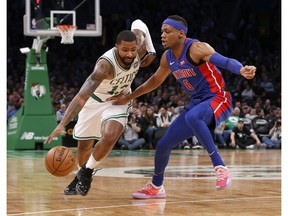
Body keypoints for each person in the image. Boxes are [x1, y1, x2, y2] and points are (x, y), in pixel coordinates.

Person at [108, 15, 256, 199]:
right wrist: (129, 97)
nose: (162, 35)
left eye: (167, 31)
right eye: (161, 31)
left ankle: (221, 167)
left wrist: (241, 69)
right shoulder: (167, 57)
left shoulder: (196, 48)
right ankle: (156, 186)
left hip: (217, 97)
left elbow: (224, 61)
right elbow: (154, 81)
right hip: (196, 103)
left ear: (181, 34)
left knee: (193, 117)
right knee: (163, 145)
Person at [44, 20, 156, 196]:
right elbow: (81, 97)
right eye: (124, 50)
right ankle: (80, 174)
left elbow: (140, 24)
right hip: (94, 101)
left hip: (118, 100)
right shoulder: (104, 67)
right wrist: (62, 124)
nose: (129, 54)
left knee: (110, 135)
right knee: (84, 146)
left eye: (133, 50)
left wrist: (151, 51)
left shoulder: (139, 47)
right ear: (116, 47)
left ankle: (87, 171)